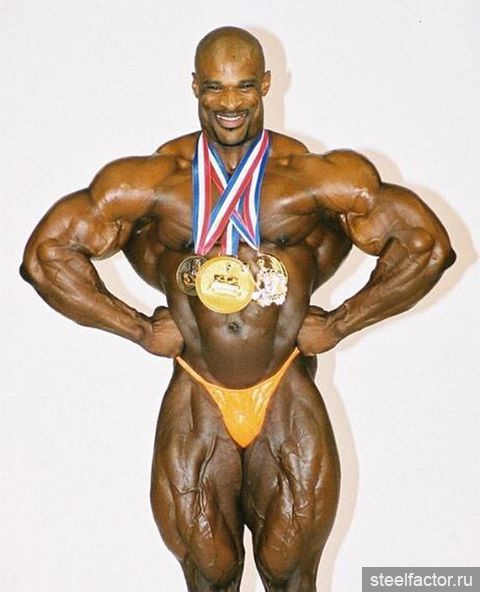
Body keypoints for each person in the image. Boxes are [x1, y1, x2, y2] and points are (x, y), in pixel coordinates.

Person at [20, 26, 455, 592]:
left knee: (290, 573)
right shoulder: (151, 181)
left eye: (244, 86)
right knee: (210, 573)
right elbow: (46, 256)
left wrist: (342, 322)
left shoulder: (314, 177)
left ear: (266, 85)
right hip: (197, 388)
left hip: (284, 386)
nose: (230, 102)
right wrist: (137, 329)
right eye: (215, 88)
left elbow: (426, 246)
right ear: (194, 86)